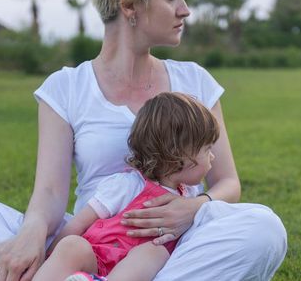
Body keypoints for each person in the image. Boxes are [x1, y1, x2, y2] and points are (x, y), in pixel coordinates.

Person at [0, 0, 287, 280]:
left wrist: (192, 208)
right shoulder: (66, 88)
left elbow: (227, 182)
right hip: (88, 242)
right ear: (129, 4)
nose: (185, 9)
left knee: (264, 228)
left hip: (171, 247)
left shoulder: (196, 82)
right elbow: (50, 193)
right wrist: (30, 236)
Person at [33, 92, 220, 281]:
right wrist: (49, 257)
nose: (212, 156)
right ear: (179, 156)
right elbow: (79, 222)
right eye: (207, 150)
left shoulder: (190, 199)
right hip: (96, 259)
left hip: (133, 272)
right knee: (72, 245)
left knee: (155, 252)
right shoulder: (129, 185)